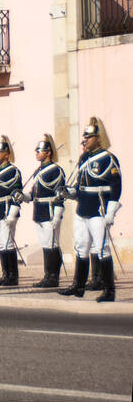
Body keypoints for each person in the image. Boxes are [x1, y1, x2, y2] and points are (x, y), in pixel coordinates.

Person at [63, 117, 121, 302]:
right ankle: (78, 286)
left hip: (99, 209)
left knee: (101, 249)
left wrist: (111, 212)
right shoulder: (84, 159)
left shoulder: (108, 159)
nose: (85, 140)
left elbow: (116, 187)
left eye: (88, 137)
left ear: (98, 138)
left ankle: (109, 290)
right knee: (81, 247)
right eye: (84, 137)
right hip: (83, 208)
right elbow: (80, 186)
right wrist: (68, 192)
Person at [25, 135, 66, 289]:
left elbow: (59, 193)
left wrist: (57, 213)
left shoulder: (55, 170)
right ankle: (47, 275)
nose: (37, 153)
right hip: (39, 211)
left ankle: (53, 276)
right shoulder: (38, 171)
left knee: (52, 244)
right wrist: (24, 197)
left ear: (48, 152)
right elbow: (35, 192)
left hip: (50, 211)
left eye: (40, 150)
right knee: (45, 244)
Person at [0, 136, 22, 286]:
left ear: (7, 154)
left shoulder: (12, 171)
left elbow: (16, 193)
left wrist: (12, 214)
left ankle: (12, 276)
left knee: (8, 243)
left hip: (7, 210)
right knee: (1, 244)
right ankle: (5, 274)